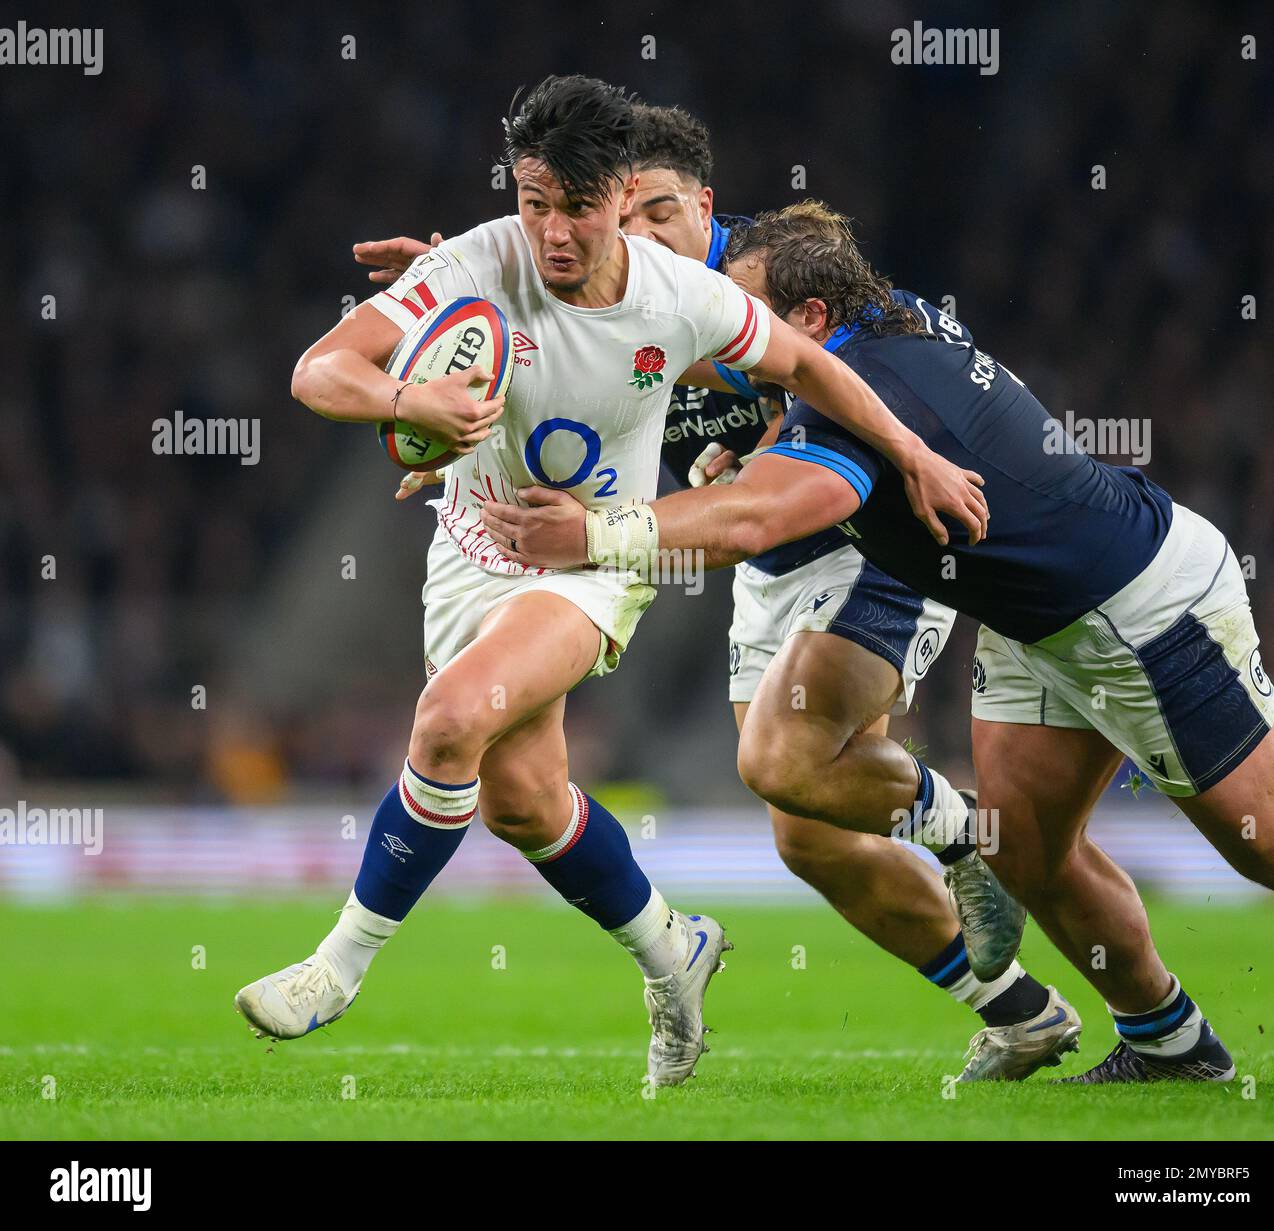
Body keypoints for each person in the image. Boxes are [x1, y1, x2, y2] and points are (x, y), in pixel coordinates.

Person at [235, 79, 993, 1088]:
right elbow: (318, 369)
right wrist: (403, 392)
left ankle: (336, 967)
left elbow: (812, 368)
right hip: (468, 551)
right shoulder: (477, 262)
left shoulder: (681, 298)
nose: (551, 229)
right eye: (534, 199)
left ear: (622, 191)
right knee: (520, 798)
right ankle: (671, 948)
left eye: (577, 205)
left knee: (451, 720)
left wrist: (911, 454)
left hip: (586, 565)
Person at [482, 201, 1274, 1082]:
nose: (730, 337)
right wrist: (491, 296)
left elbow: (758, 518)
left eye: (746, 318)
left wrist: (593, 535)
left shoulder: (858, 407)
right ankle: (1170, 1044)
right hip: (1031, 627)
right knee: (1021, 850)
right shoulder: (868, 333)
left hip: (1142, 602)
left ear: (812, 321)